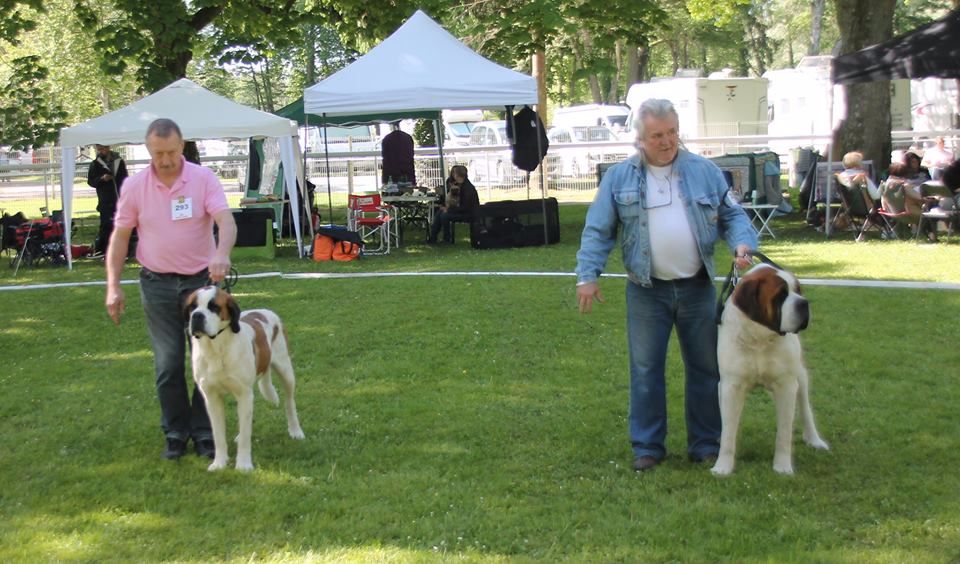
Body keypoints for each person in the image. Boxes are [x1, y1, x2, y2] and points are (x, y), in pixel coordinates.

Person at [575, 98, 757, 472]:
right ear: (640, 139)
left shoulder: (705, 171)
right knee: (645, 370)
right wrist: (587, 275)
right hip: (646, 290)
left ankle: (706, 443)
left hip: (697, 288)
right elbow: (598, 230)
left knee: (707, 368)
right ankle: (648, 447)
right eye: (657, 135)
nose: (667, 141)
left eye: (672, 132)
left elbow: (733, 215)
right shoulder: (619, 178)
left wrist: (743, 244)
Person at [104, 118, 237, 461]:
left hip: (201, 284)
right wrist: (113, 286)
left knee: (208, 360)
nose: (165, 159)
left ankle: (206, 432)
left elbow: (225, 220)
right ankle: (175, 432)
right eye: (158, 153)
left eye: (172, 151)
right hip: (157, 283)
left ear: (182, 146)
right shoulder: (135, 186)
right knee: (168, 363)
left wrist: (222, 253)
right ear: (148, 150)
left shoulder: (203, 178)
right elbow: (120, 238)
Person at [87, 144, 128, 255]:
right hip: (105, 199)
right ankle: (105, 250)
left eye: (103, 148)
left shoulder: (119, 161)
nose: (102, 151)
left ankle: (122, 250)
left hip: (118, 198)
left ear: (108, 147)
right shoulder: (95, 164)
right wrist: (101, 179)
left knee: (120, 224)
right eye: (99, 149)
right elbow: (91, 181)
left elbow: (125, 178)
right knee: (106, 225)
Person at [428, 165, 479, 244]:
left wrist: (448, 209)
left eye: (454, 173)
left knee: (445, 215)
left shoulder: (468, 188)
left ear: (458, 175)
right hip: (460, 210)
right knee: (439, 213)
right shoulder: (456, 184)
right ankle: (433, 237)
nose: (453, 175)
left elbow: (465, 207)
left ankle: (447, 239)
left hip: (468, 213)